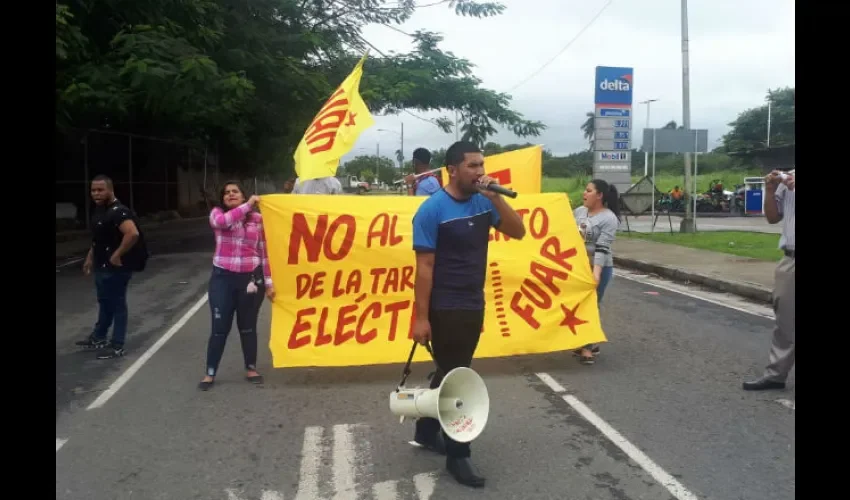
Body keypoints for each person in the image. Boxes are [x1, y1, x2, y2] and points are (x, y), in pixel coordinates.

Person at [410, 141, 526, 488]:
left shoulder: (482, 202)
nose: (480, 172)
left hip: (474, 300)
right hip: (445, 304)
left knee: (449, 369)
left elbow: (518, 231)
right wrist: (421, 317)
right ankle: (459, 456)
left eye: (481, 165)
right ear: (452, 170)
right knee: (460, 375)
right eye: (473, 166)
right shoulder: (432, 210)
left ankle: (427, 429)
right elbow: (425, 267)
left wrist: (495, 197)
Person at [199, 181, 275, 391]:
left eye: (236, 192)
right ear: (222, 199)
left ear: (242, 195)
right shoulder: (217, 215)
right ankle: (210, 372)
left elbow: (264, 252)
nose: (231, 195)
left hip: (250, 279)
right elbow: (223, 222)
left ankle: (251, 368)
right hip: (223, 279)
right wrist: (249, 204)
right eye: (227, 193)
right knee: (219, 327)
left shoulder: (258, 220)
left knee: (248, 326)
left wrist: (268, 283)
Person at [75, 175, 143, 359]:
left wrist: (117, 254)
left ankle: (117, 345)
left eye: (100, 190)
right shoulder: (99, 210)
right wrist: (90, 258)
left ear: (110, 190)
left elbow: (132, 233)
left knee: (117, 305)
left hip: (117, 267)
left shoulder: (119, 211)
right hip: (101, 265)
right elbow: (99, 239)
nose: (96, 193)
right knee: (105, 302)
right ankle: (99, 337)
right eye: (93, 190)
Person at [743, 169, 795, 391]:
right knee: (785, 317)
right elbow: (773, 217)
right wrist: (770, 188)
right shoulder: (789, 177)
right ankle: (776, 374)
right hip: (791, 257)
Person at [571, 179, 620, 365]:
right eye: (585, 190)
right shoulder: (579, 212)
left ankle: (587, 347)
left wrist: (596, 273)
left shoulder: (609, 218)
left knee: (591, 304)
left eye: (589, 190)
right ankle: (588, 341)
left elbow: (602, 248)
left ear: (599, 195)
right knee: (576, 304)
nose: (584, 193)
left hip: (599, 266)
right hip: (579, 267)